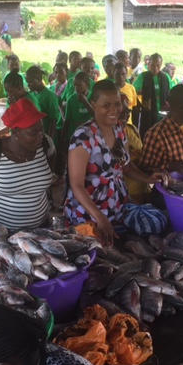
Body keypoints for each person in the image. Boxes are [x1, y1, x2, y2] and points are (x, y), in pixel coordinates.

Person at [64, 80, 163, 245]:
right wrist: (100, 218)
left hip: (117, 209)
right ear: (94, 105)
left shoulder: (119, 130)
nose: (114, 110)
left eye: (117, 104)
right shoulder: (83, 136)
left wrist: (148, 179)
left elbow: (125, 165)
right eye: (106, 105)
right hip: (88, 215)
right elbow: (76, 185)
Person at [0, 99, 53, 235]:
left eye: (41, 130)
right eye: (33, 133)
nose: (40, 136)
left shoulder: (45, 144)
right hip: (5, 234)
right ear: (15, 132)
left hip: (42, 228)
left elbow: (49, 170)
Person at [138, 83, 183, 176]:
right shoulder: (156, 135)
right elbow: (144, 169)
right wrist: (168, 166)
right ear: (182, 106)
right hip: (170, 185)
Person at [132, 53, 173, 137]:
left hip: (163, 112)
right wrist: (146, 91)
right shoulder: (143, 76)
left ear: (161, 64)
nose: (155, 68)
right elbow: (133, 90)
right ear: (148, 64)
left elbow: (172, 91)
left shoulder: (165, 77)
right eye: (152, 65)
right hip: (149, 112)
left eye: (158, 65)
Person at [26, 65, 61, 139]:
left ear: (39, 79)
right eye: (27, 82)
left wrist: (49, 140)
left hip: (46, 136)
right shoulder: (31, 94)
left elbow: (53, 121)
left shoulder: (50, 96)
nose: (28, 85)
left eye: (30, 82)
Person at [60, 72, 93, 144]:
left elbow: (96, 115)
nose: (76, 88)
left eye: (79, 85)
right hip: (73, 135)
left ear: (86, 84)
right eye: (75, 85)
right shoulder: (71, 99)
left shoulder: (93, 97)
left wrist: (85, 102)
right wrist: (62, 140)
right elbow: (67, 121)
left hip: (89, 136)